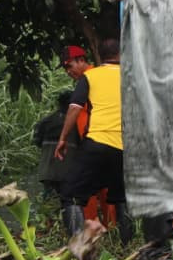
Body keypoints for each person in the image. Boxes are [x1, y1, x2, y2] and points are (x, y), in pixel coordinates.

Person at [55, 37, 131, 241]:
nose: (68, 71)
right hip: (125, 146)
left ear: (82, 60)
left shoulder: (90, 78)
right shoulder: (131, 76)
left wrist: (62, 139)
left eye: (69, 66)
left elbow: (74, 108)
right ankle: (130, 247)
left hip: (98, 142)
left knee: (70, 195)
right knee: (122, 197)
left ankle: (80, 251)